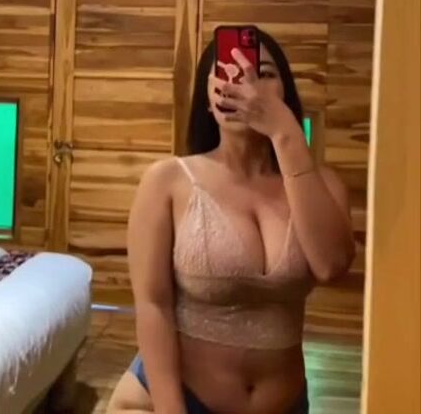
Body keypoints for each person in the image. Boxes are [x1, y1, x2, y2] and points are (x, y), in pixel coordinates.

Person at [107, 27, 355, 414]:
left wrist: (284, 133)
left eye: (264, 74)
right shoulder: (167, 181)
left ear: (285, 95)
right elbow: (153, 305)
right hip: (173, 402)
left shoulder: (321, 184)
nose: (247, 86)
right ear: (210, 100)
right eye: (229, 73)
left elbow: (331, 265)